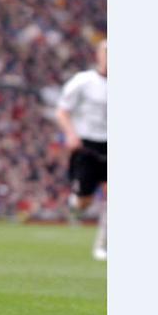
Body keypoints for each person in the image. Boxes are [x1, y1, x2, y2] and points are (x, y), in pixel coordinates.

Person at [56, 39, 108, 260]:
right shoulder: (83, 81)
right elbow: (62, 111)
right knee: (83, 201)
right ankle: (75, 205)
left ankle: (103, 246)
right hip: (87, 145)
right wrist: (70, 134)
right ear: (98, 55)